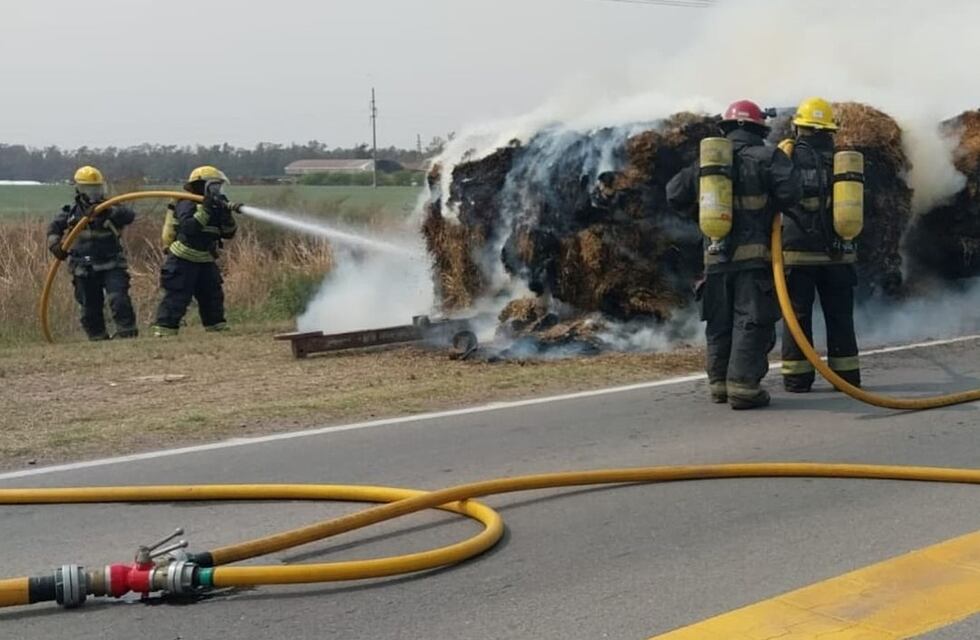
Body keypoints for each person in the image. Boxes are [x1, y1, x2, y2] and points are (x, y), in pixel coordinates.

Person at [667, 100, 802, 409]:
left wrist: (700, 215)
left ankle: (718, 384)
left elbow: (673, 193)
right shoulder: (768, 156)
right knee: (752, 320)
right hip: (754, 260)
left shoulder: (707, 161)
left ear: (726, 129)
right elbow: (792, 193)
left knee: (719, 322)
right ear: (758, 129)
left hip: (714, 258)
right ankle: (743, 386)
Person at [778, 97, 861, 392]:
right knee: (839, 315)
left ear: (799, 127)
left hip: (797, 253)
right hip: (839, 254)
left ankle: (798, 378)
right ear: (829, 130)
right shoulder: (844, 162)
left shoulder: (785, 159)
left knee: (797, 316)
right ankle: (847, 377)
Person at [47, 166, 138, 340]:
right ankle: (98, 339)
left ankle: (127, 335)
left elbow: (129, 216)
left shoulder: (112, 207)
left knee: (118, 299)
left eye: (97, 188)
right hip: (83, 267)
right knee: (90, 307)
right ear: (79, 190)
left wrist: (108, 211)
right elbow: (53, 228)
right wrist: (55, 246)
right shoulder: (71, 213)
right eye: (89, 189)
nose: (94, 193)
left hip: (112, 264)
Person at [151, 165, 240, 336]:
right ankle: (165, 329)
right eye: (214, 186)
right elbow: (189, 228)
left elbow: (229, 233)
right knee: (178, 295)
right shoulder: (186, 202)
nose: (218, 190)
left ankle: (216, 325)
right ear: (201, 185)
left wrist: (226, 214)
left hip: (205, 258)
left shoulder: (215, 206)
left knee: (212, 293)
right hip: (183, 257)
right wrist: (205, 209)